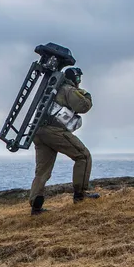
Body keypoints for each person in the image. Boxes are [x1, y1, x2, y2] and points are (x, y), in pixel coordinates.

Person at [29, 67, 99, 215]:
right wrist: (86, 94)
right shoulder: (68, 89)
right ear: (74, 78)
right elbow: (83, 106)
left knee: (42, 171)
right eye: (78, 79)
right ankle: (80, 196)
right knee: (83, 156)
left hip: (38, 132)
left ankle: (36, 206)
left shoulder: (50, 89)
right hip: (54, 131)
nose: (79, 82)